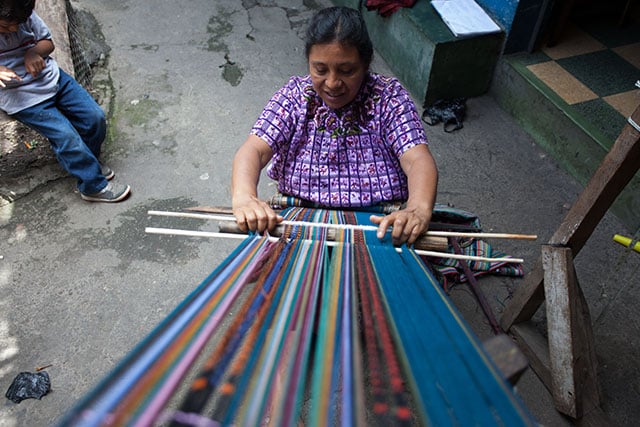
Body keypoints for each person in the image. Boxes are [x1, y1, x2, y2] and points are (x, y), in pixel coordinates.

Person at [232, 6, 437, 246]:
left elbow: (417, 159)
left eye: (346, 70)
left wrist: (418, 209)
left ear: (366, 63)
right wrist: (244, 197)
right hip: (301, 217)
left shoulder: (388, 98)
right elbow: (254, 150)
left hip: (379, 223)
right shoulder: (295, 97)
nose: (332, 83)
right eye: (320, 70)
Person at [0, 0, 130, 202]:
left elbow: (47, 42)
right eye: (6, 26)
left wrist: (34, 52)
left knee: (94, 118)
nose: (15, 29)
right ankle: (93, 186)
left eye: (19, 23)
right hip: (22, 98)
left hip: (52, 78)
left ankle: (87, 163)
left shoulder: (22, 14)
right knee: (66, 137)